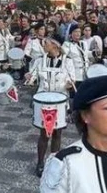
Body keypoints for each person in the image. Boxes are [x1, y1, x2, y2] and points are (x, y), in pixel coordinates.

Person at [28, 37, 76, 176]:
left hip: (60, 101)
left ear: (55, 45)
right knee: (44, 133)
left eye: (46, 44)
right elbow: (32, 77)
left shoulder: (67, 61)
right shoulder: (39, 60)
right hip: (43, 101)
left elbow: (71, 80)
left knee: (57, 133)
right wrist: (29, 78)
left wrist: (69, 84)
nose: (43, 46)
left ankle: (54, 162)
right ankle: (40, 163)